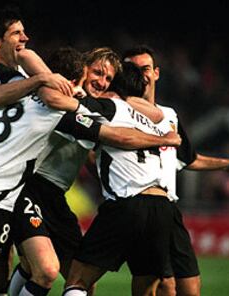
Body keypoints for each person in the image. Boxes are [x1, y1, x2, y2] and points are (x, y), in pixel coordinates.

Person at [0, 7, 109, 296]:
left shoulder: (14, 75)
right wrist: (46, 83)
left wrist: (43, 79)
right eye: (17, 32)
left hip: (3, 185)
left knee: (2, 275)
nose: (25, 37)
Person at [123, 45, 229, 296]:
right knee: (159, 284)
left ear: (156, 73)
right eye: (133, 69)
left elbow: (187, 159)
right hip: (140, 206)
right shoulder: (118, 110)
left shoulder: (169, 115)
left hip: (170, 209)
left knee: (190, 289)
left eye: (145, 69)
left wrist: (227, 163)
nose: (141, 75)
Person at [62, 61, 182, 296]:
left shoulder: (112, 106)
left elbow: (67, 105)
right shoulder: (156, 122)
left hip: (129, 203)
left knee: (77, 281)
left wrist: (72, 88)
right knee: (146, 290)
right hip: (162, 207)